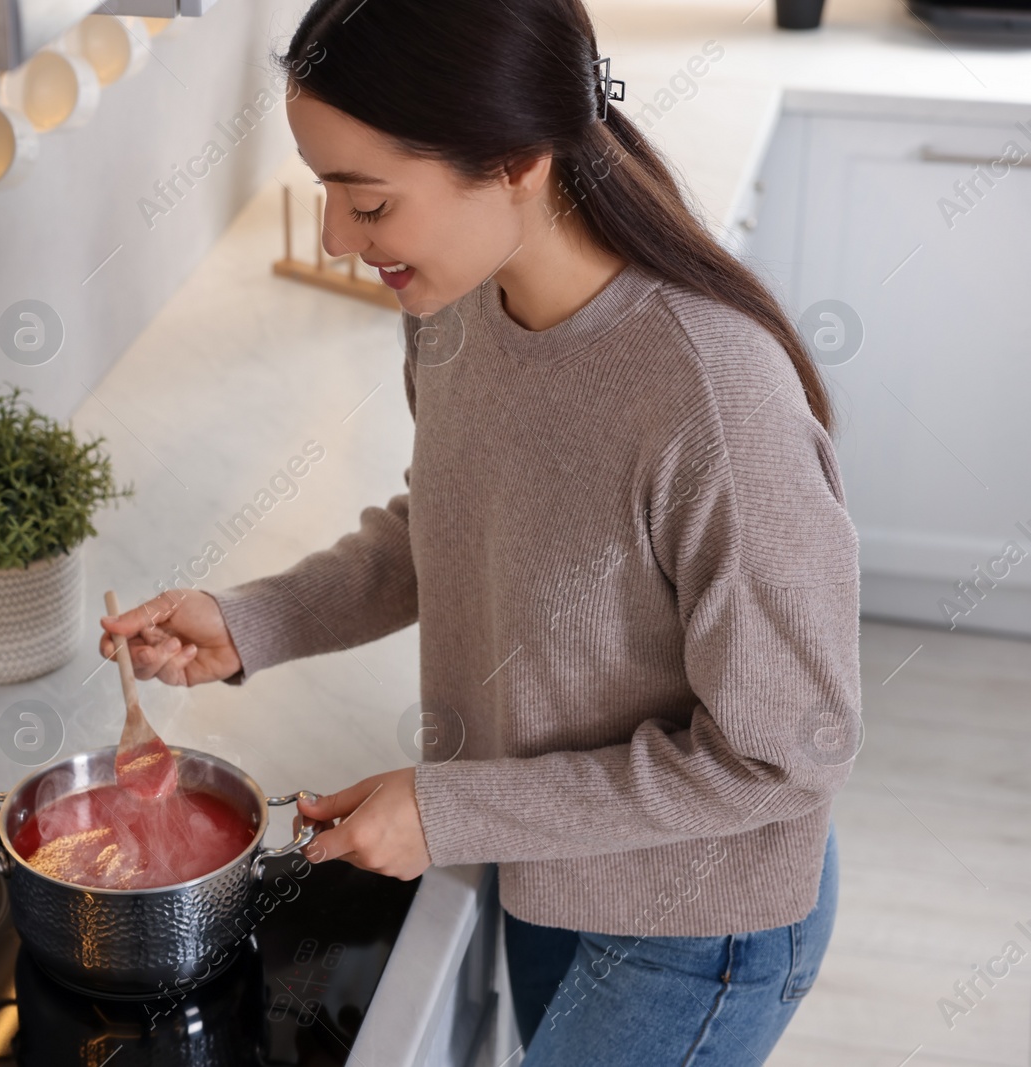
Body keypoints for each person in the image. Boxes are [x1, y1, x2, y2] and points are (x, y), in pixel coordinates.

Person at [100, 0, 861, 1060]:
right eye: (326, 191)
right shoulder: (456, 306)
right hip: (545, 859)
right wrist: (252, 621)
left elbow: (785, 755)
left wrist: (453, 811)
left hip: (697, 922)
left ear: (514, 161)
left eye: (366, 201)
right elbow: (456, 518)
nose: (334, 237)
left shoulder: (713, 400)